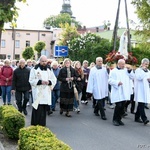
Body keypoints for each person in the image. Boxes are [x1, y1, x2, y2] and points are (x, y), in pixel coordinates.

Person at [29, 55, 56, 126]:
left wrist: (49, 82)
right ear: (40, 61)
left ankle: (42, 124)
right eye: (42, 61)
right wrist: (40, 81)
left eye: (45, 61)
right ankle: (34, 124)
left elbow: (54, 79)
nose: (44, 63)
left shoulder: (49, 69)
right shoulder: (34, 69)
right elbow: (31, 80)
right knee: (37, 108)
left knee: (44, 109)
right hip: (38, 92)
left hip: (46, 92)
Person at [108, 59, 134, 126]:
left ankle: (119, 119)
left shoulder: (126, 71)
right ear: (118, 64)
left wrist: (130, 71)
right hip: (117, 91)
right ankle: (115, 120)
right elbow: (110, 80)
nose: (123, 65)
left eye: (124, 64)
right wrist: (117, 83)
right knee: (118, 105)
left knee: (122, 106)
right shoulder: (113, 71)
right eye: (122, 64)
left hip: (124, 91)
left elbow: (132, 77)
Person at [134, 58, 150, 125]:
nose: (147, 65)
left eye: (147, 64)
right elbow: (138, 77)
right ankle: (144, 119)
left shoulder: (148, 71)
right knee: (141, 104)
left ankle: (137, 117)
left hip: (145, 89)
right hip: (140, 89)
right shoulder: (138, 70)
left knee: (141, 104)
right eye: (145, 64)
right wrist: (143, 71)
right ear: (142, 63)